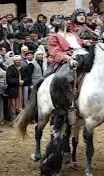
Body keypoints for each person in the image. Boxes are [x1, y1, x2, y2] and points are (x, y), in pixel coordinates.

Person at [40, 12, 94, 176]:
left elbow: (81, 46)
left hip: (82, 56)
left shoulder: (73, 34)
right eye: (61, 20)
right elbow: (55, 52)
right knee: (63, 77)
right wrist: (67, 58)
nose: (64, 22)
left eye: (65, 19)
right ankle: (68, 104)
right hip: (67, 61)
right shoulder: (54, 36)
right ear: (57, 22)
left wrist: (86, 43)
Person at [6, 55, 28, 120]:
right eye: (16, 60)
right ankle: (13, 119)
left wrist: (23, 81)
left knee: (20, 103)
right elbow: (9, 79)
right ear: (13, 61)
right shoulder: (10, 68)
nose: (17, 61)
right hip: (12, 89)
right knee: (12, 104)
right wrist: (18, 81)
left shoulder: (21, 69)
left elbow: (26, 77)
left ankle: (18, 119)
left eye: (19, 60)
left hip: (20, 89)